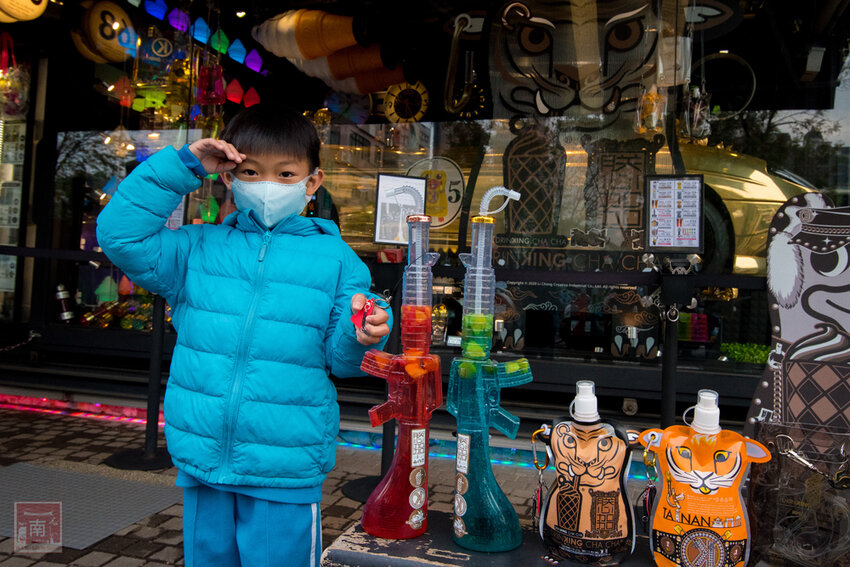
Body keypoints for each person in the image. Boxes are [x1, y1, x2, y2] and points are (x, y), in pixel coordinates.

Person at [96, 105, 391, 566]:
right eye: (251, 170)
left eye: (285, 172)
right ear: (230, 177)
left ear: (312, 182)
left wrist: (364, 335)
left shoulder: (338, 261)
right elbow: (120, 237)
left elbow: (343, 362)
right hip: (203, 459)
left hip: (285, 469)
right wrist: (184, 166)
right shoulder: (197, 248)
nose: (268, 184)